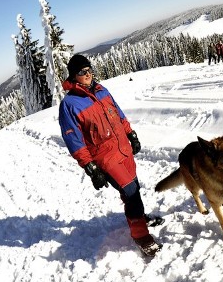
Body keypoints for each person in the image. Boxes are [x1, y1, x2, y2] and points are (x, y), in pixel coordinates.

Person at [58, 54, 163, 257]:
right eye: (82, 72)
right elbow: (74, 140)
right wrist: (91, 168)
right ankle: (141, 236)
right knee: (131, 192)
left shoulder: (101, 90)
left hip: (123, 149)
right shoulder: (70, 104)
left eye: (89, 69)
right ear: (73, 75)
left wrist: (131, 134)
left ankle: (138, 217)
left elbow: (118, 114)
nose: (87, 74)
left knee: (134, 187)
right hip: (105, 157)